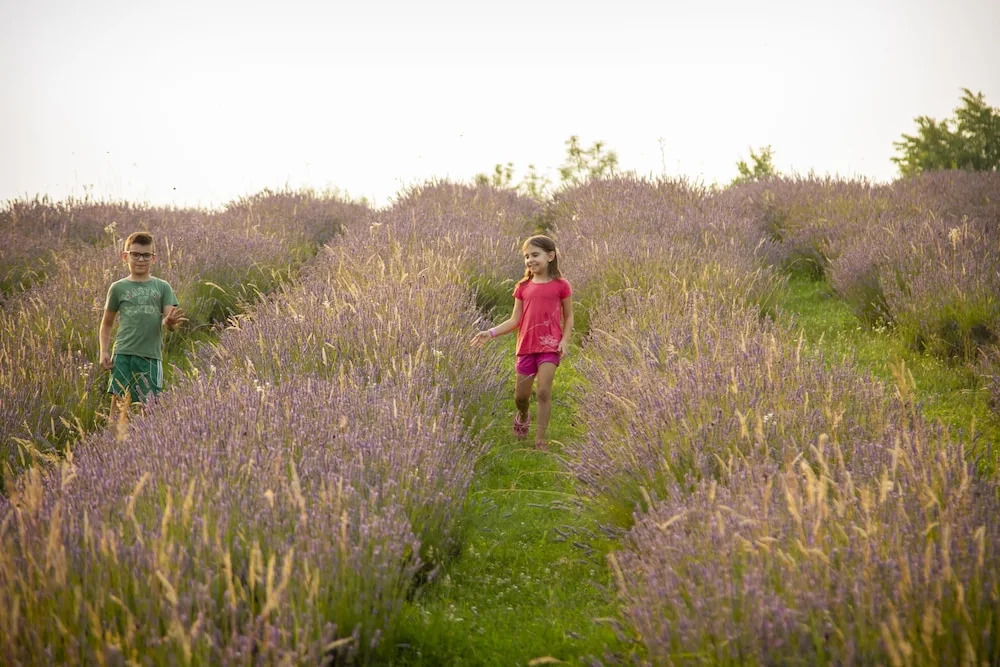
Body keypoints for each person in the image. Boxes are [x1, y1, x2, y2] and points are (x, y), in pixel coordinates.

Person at [471, 234, 573, 450]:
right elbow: (514, 320)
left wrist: (565, 340)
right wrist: (491, 333)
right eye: (527, 256)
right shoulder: (523, 287)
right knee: (521, 397)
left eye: (535, 255)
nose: (530, 260)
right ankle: (524, 414)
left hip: (550, 346)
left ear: (550, 256)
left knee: (543, 391)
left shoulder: (561, 285)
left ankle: (540, 439)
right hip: (526, 346)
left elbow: (569, 316)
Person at [99, 231, 186, 411]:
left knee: (149, 409)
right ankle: (116, 431)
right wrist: (104, 351)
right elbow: (107, 323)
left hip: (150, 356)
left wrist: (170, 322)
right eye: (135, 254)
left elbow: (169, 319)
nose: (140, 260)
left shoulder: (163, 287)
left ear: (153, 258)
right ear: (125, 256)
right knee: (118, 408)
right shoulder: (117, 288)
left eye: (146, 255)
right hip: (123, 354)